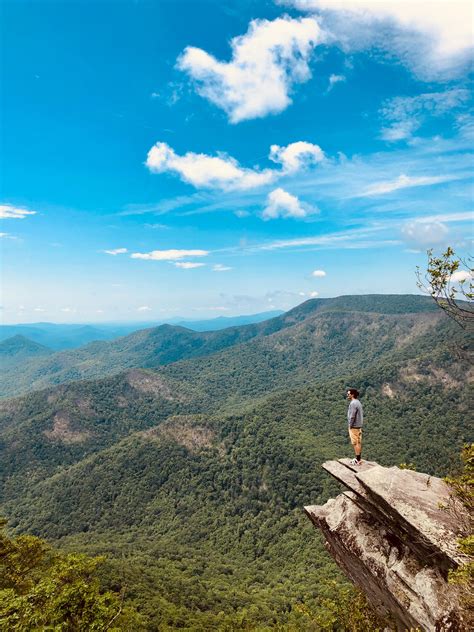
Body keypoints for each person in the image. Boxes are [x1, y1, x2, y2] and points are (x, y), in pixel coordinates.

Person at [346, 388, 363, 465]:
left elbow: (352, 416)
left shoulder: (353, 403)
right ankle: (358, 458)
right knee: (358, 442)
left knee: (355, 443)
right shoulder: (358, 402)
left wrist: (350, 425)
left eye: (348, 394)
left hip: (354, 426)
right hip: (359, 426)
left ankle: (357, 460)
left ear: (352, 395)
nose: (347, 395)